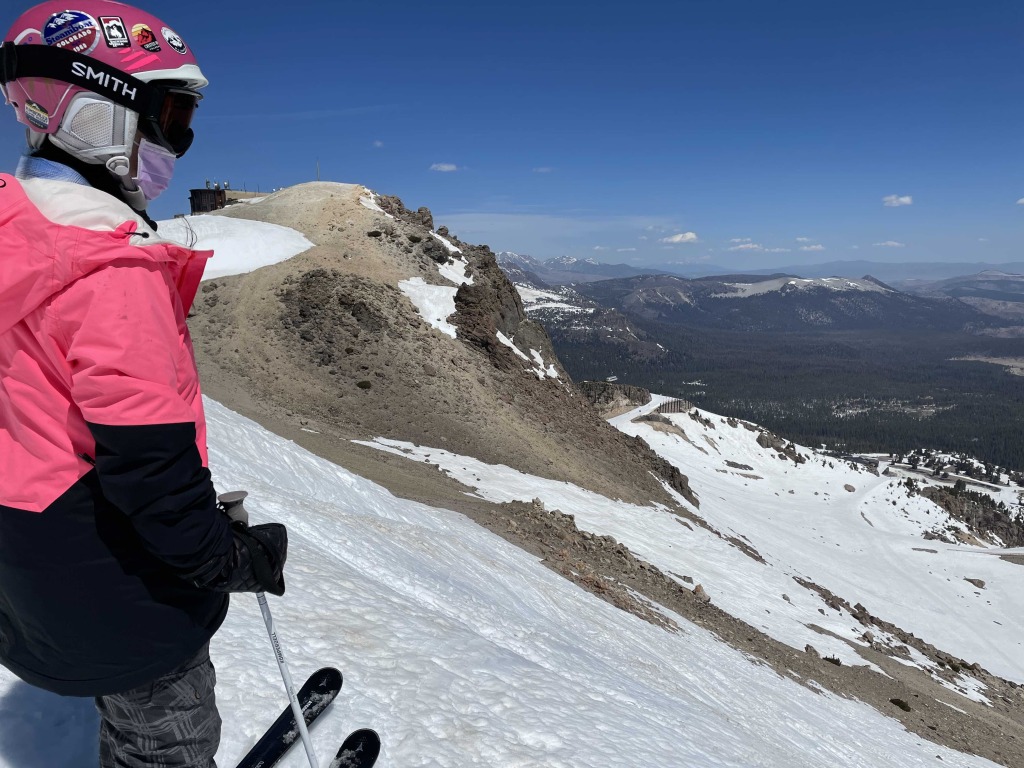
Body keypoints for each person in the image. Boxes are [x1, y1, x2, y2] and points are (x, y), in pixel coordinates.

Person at [0, 2, 287, 766]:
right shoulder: (110, 273)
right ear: (96, 113)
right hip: (121, 597)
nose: (180, 145)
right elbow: (152, 473)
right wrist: (232, 558)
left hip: (28, 577)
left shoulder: (15, 240)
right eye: (171, 115)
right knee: (167, 739)